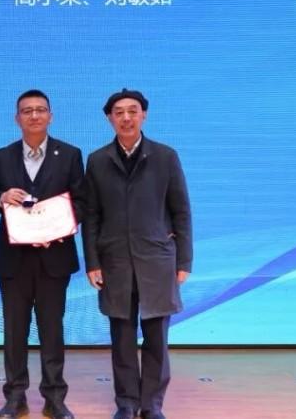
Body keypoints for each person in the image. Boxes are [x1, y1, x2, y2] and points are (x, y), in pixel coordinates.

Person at [82, 89, 193, 419]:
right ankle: (127, 403)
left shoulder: (165, 157)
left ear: (144, 115)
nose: (126, 118)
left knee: (157, 337)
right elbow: (91, 216)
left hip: (157, 260)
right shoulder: (98, 160)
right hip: (115, 261)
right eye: (119, 112)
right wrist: (92, 262)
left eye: (133, 111)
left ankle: (152, 404)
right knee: (122, 338)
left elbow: (181, 211)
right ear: (109, 119)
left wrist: (184, 260)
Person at [0, 89, 84, 419]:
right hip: (14, 260)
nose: (34, 115)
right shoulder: (2, 157)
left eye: (40, 110)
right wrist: (1, 197)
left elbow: (82, 202)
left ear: (51, 116)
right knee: (15, 330)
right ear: (17, 118)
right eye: (27, 111)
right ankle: (15, 397)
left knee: (52, 330)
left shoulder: (70, 155)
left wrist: (57, 228)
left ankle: (55, 397)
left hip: (55, 257)